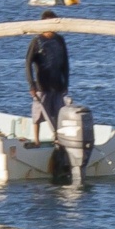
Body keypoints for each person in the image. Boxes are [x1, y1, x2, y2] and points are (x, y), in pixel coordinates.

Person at [24, 11, 70, 140]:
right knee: (38, 114)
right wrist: (31, 85)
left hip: (57, 84)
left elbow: (65, 63)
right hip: (41, 85)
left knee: (59, 113)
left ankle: (58, 138)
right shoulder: (37, 41)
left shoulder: (60, 40)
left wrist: (65, 83)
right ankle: (37, 139)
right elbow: (28, 63)